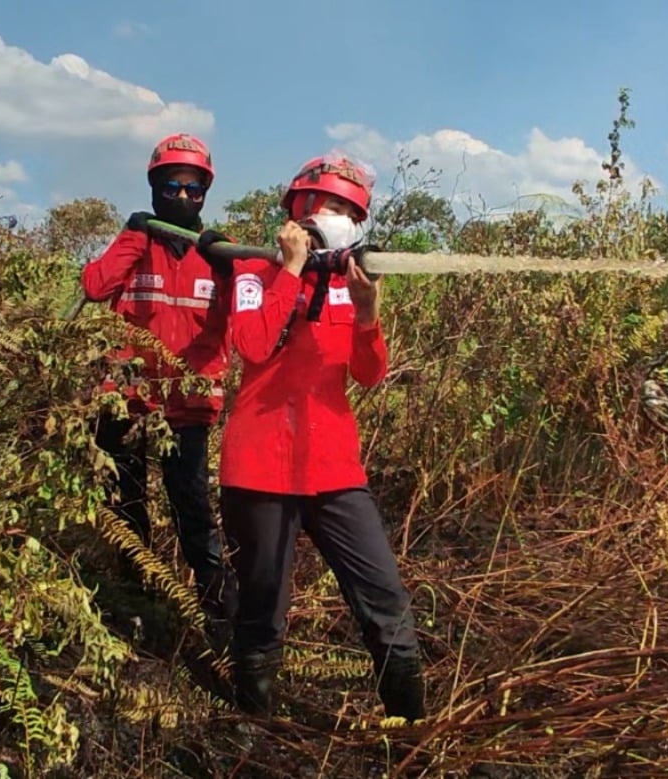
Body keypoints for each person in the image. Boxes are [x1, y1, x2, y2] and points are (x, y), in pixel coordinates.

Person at [198, 155, 426, 722]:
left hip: (334, 470)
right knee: (263, 606)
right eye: (332, 205)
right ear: (299, 210)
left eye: (352, 210)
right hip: (257, 469)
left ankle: (414, 731)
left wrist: (369, 313)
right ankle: (254, 728)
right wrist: (292, 270)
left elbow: (369, 373)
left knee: (385, 601)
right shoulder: (254, 273)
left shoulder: (351, 284)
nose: (343, 217)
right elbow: (251, 344)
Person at [81, 133, 236, 644]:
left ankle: (219, 619)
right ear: (155, 187)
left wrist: (227, 260)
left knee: (192, 509)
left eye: (195, 190)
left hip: (188, 408)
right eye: (173, 186)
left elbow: (256, 319)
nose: (185, 198)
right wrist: (132, 235)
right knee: (126, 509)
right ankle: (137, 610)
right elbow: (95, 287)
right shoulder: (137, 243)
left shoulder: (220, 256)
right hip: (126, 401)